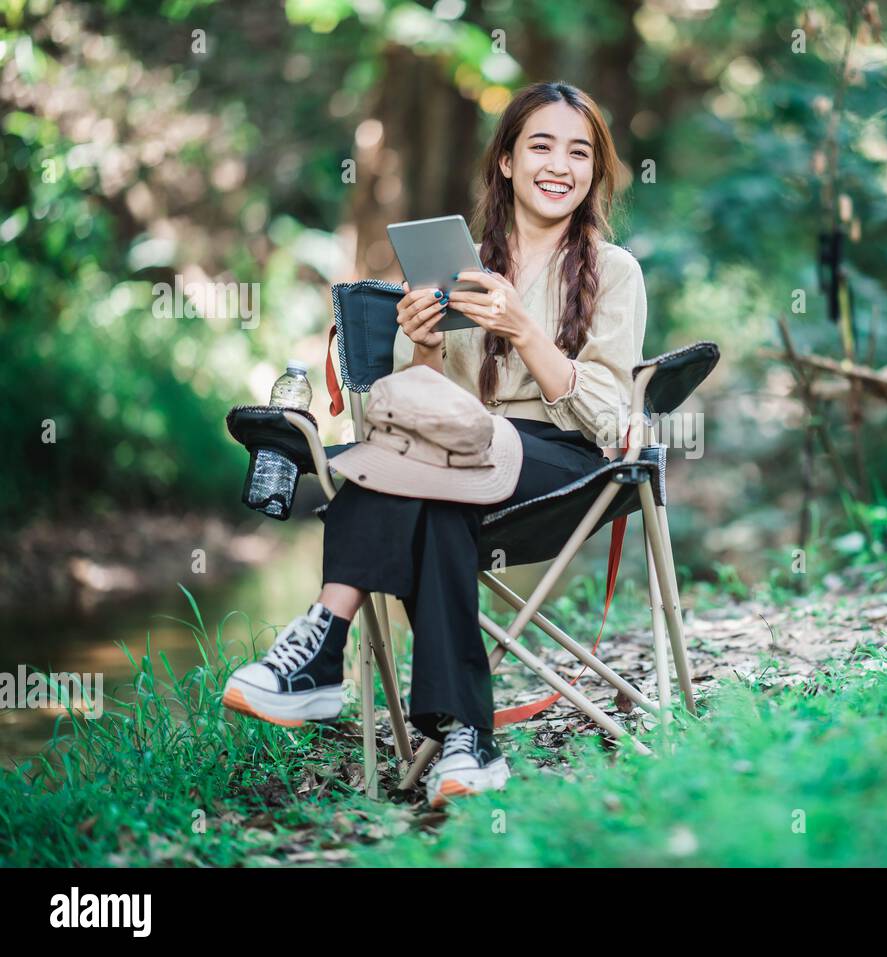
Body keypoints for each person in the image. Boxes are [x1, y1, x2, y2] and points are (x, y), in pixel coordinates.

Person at [222, 80, 647, 807]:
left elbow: (608, 420)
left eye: (579, 152)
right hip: (457, 464)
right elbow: (430, 407)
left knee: (424, 473)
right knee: (441, 495)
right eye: (540, 144)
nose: (560, 164)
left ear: (593, 172)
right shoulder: (456, 263)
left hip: (567, 467)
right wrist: (420, 345)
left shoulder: (614, 271)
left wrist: (523, 330)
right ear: (507, 161)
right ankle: (466, 740)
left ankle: (324, 636)